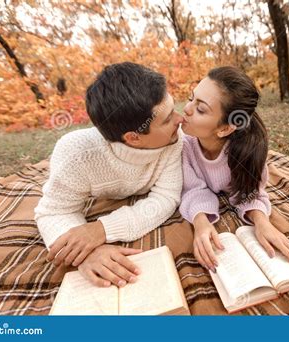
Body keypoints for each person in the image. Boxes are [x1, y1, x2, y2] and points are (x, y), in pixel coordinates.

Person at [34, 62, 184, 287]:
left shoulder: (174, 139)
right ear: (133, 137)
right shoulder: (75, 153)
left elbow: (166, 197)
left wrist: (101, 229)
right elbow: (52, 212)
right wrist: (85, 253)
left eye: (173, 109)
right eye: (168, 118)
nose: (180, 120)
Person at [179, 66, 289, 273]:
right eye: (191, 98)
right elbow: (192, 188)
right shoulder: (183, 144)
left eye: (201, 109)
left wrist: (262, 222)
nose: (186, 109)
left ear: (224, 128)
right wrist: (201, 221)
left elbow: (250, 192)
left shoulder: (248, 153)